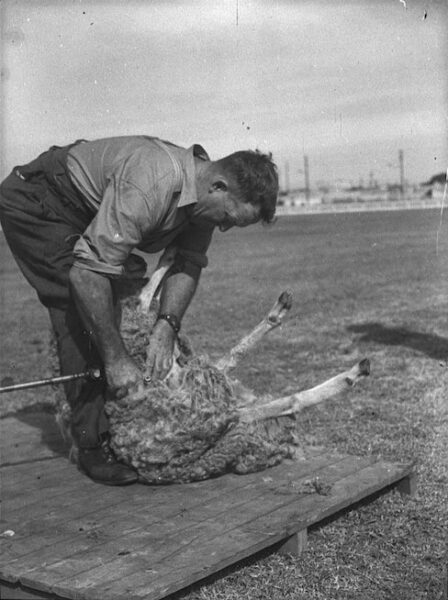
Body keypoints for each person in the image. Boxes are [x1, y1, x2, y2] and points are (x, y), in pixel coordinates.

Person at [0, 135, 278, 485]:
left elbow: (188, 263)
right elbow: (87, 275)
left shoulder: (202, 200)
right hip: (38, 202)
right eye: (229, 218)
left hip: (82, 208)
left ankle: (111, 411)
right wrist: (116, 360)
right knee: (78, 303)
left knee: (114, 287)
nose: (223, 228)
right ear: (218, 186)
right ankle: (93, 444)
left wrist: (167, 324)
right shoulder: (153, 182)